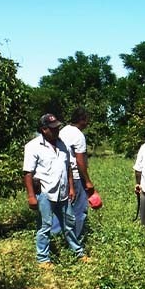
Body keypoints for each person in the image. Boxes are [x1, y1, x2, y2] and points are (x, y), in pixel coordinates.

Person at [23, 114, 86, 267]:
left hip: (63, 192)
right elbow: (28, 173)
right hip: (45, 192)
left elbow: (68, 167)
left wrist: (71, 187)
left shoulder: (62, 144)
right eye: (53, 128)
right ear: (44, 129)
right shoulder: (33, 146)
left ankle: (78, 252)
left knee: (69, 223)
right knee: (45, 226)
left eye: (57, 127)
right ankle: (43, 259)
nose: (57, 130)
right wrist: (31, 196)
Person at [50, 107, 95, 242]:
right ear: (82, 120)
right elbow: (80, 161)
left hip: (63, 176)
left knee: (62, 209)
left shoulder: (63, 131)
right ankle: (76, 242)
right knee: (80, 211)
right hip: (75, 177)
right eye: (87, 120)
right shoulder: (78, 135)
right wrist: (87, 181)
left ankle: (55, 238)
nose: (88, 123)